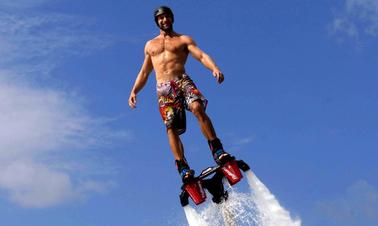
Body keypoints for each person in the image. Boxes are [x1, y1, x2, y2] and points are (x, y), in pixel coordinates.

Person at [129, 6, 232, 183]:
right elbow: (145, 72)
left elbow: (200, 56)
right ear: (157, 22)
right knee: (171, 126)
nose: (164, 20)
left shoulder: (183, 40)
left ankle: (217, 149)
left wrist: (214, 68)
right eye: (161, 18)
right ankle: (183, 166)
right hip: (164, 88)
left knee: (197, 107)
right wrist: (134, 90)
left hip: (182, 80)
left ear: (172, 19)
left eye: (167, 17)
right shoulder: (150, 45)